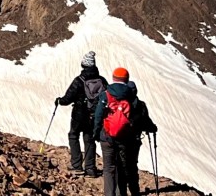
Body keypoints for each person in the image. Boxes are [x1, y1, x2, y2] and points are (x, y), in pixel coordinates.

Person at [91, 67, 158, 196]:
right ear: (126, 79)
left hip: (107, 136)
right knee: (122, 167)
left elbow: (98, 115)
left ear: (113, 78)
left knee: (109, 168)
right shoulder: (132, 97)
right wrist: (151, 128)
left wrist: (96, 133)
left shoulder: (106, 94)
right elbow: (140, 118)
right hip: (125, 138)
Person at [54, 51, 108, 177]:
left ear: (83, 65)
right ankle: (90, 168)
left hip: (79, 115)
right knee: (89, 139)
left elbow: (67, 98)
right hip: (94, 116)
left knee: (73, 135)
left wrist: (59, 101)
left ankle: (77, 165)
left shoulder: (79, 80)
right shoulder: (101, 80)